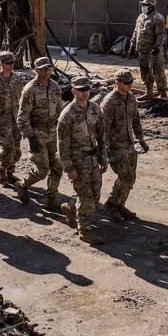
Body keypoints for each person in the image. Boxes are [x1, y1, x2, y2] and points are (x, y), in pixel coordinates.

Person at [57, 76, 108, 244]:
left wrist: (103, 158)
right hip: (77, 162)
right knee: (86, 198)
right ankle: (84, 231)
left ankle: (70, 207)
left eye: (86, 89)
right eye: (80, 90)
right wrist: (68, 168)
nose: (84, 93)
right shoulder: (67, 115)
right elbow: (62, 145)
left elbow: (101, 136)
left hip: (93, 159)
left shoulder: (95, 109)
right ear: (73, 91)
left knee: (95, 196)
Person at [100, 69, 148, 220]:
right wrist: (104, 150)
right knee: (125, 177)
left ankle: (120, 204)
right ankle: (111, 205)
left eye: (131, 82)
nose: (130, 85)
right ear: (117, 83)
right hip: (115, 146)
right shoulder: (109, 102)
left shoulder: (131, 97)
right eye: (127, 83)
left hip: (129, 144)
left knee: (131, 178)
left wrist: (141, 139)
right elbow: (103, 129)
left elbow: (136, 120)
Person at [17, 57, 63, 210]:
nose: (47, 71)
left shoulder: (55, 86)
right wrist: (31, 137)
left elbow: (59, 110)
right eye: (43, 69)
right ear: (36, 70)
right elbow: (22, 116)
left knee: (57, 167)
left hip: (52, 132)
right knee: (43, 170)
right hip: (37, 133)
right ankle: (23, 184)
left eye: (49, 68)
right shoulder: (30, 90)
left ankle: (51, 199)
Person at [0, 51, 25, 187]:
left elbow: (22, 99)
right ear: (1, 64)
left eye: (13, 63)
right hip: (2, 120)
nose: (12, 65)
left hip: (16, 119)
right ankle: (1, 169)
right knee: (8, 147)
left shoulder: (17, 79)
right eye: (8, 63)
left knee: (17, 149)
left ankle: (10, 171)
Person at [130, 0, 167, 102]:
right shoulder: (140, 17)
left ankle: (163, 93)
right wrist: (132, 45)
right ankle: (149, 92)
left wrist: (157, 47)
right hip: (142, 51)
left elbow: (161, 35)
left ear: (151, 7)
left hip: (154, 52)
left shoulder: (158, 18)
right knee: (145, 72)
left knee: (158, 72)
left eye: (145, 5)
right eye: (143, 5)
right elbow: (136, 32)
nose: (143, 7)